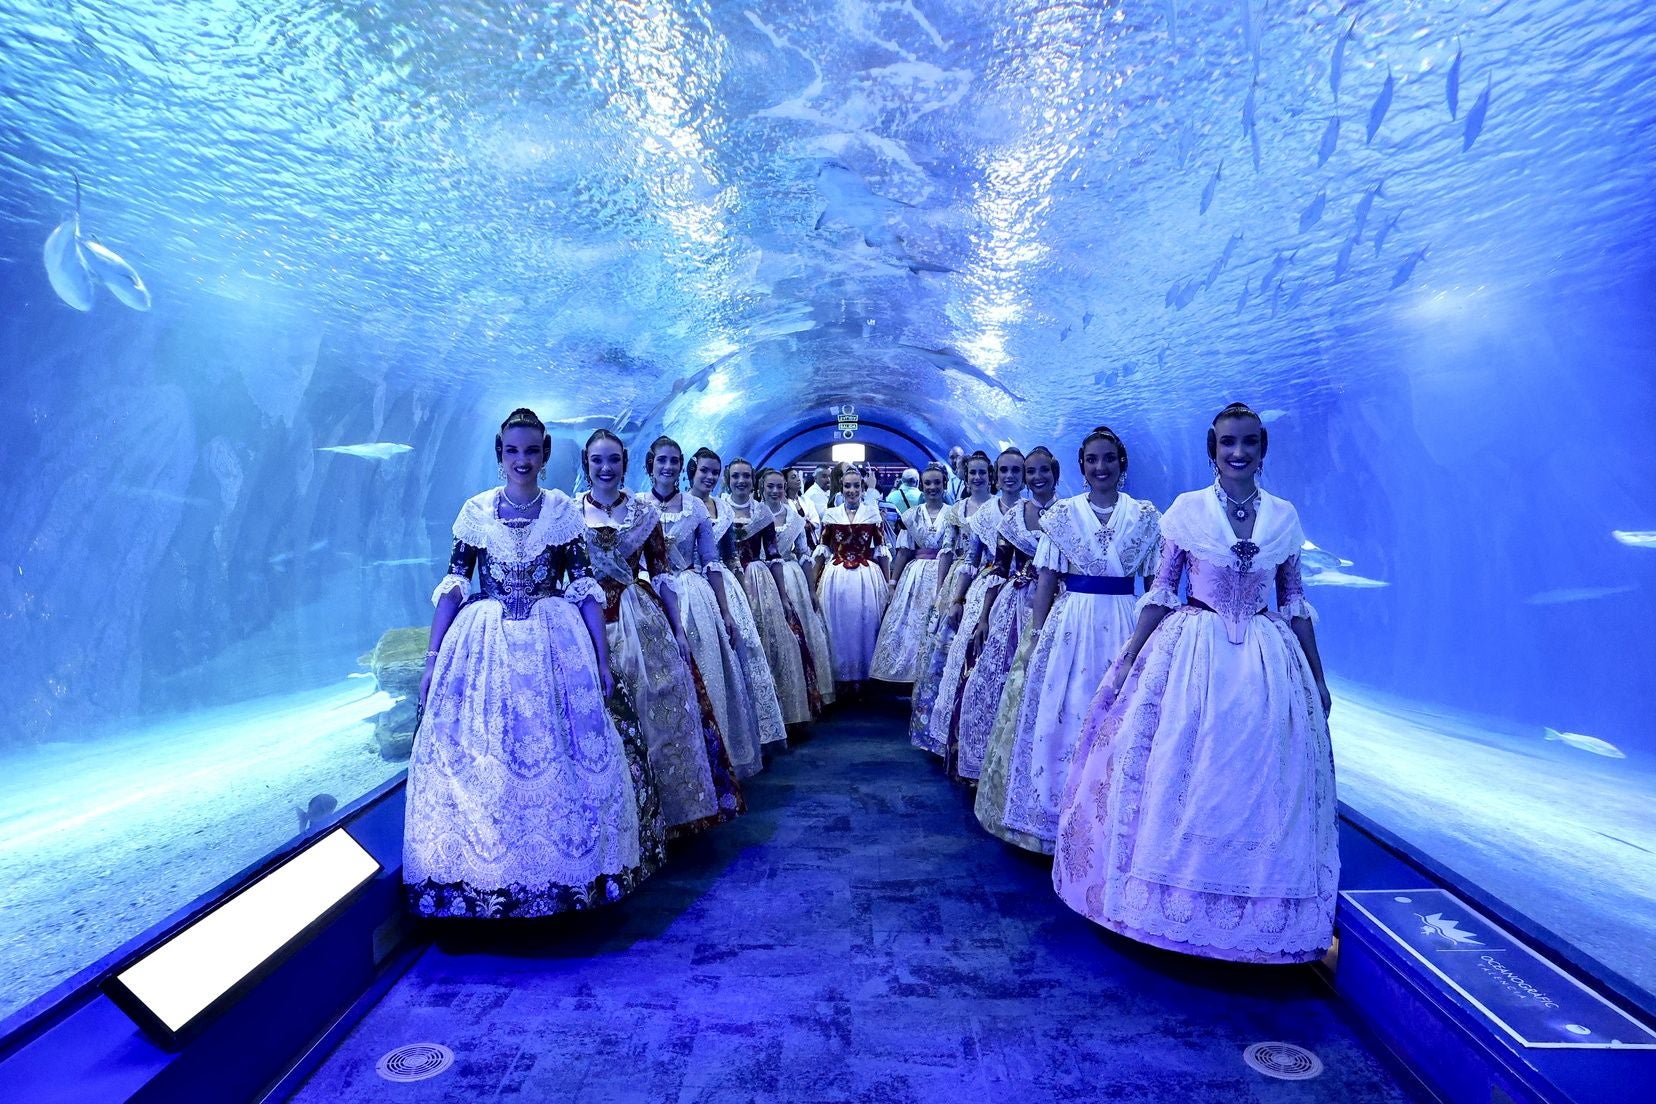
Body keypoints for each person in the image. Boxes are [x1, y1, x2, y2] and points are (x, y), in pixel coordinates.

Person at [1052, 404, 1336, 964]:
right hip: (1192, 660)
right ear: (1212, 450)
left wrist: (1318, 677)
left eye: (1249, 443)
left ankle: (1257, 918)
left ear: (1262, 449)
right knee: (1181, 768)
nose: (1238, 452)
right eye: (1228, 442)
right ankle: (1164, 904)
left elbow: (1295, 601)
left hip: (1265, 663)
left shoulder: (1284, 516)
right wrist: (1130, 656)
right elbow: (1162, 590)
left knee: (1258, 773)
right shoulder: (1187, 511)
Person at [405, 408, 664, 920]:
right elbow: (455, 584)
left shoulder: (563, 511)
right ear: (500, 456)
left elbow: (584, 587)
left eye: (531, 450)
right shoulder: (475, 512)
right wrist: (433, 661)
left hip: (554, 646)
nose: (522, 460)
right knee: (486, 761)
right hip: (485, 647)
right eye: (512, 451)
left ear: (544, 455)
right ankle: (485, 880)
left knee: (566, 758)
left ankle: (570, 878)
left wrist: (600, 657)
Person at [975, 426, 1160, 854]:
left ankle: (1110, 822)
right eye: (1092, 460)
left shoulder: (1146, 516)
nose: (1101, 467)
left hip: (1122, 623)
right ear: (1081, 467)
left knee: (1119, 718)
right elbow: (1046, 579)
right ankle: (1054, 818)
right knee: (1065, 712)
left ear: (1122, 464)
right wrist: (1037, 636)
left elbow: (1155, 586)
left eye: (1109, 459)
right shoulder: (1061, 517)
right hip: (1071, 623)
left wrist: (1151, 641)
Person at [580, 430, 742, 836]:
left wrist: (678, 630)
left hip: (640, 617)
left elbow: (663, 574)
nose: (606, 468)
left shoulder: (642, 515)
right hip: (586, 619)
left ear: (626, 463)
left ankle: (663, 813)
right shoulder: (568, 513)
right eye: (597, 460)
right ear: (586, 464)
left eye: (613, 460)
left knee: (657, 711)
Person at [647, 436, 765, 780]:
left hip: (693, 592)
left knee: (706, 673)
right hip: (652, 593)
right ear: (650, 466)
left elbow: (713, 562)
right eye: (661, 461)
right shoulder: (638, 505)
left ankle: (713, 758)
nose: (667, 467)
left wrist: (726, 612)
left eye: (673, 461)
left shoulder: (695, 508)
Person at [955, 446, 1061, 784]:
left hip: (1061, 602)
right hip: (1014, 602)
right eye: (1031, 472)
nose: (1035, 478)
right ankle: (992, 762)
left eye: (1042, 471)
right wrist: (983, 616)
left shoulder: (1069, 513)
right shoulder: (1013, 519)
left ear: (1055, 473)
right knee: (996, 679)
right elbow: (998, 570)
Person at [925, 447, 1025, 775]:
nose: (1008, 476)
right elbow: (970, 559)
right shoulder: (982, 516)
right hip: (989, 589)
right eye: (1004, 470)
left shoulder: (1036, 510)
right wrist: (956, 598)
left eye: (1016, 470)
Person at [687, 448, 789, 751]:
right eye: (704, 470)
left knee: (739, 657)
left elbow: (730, 558)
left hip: (723, 586)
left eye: (714, 472)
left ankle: (738, 737)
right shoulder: (680, 506)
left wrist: (741, 598)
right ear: (692, 471)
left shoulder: (723, 510)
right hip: (687, 589)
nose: (709, 477)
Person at [724, 458, 821, 724]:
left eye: (746, 476)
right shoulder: (720, 510)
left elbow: (775, 555)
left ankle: (779, 712)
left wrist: (783, 595)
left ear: (752, 479)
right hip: (728, 582)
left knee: (772, 642)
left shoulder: (761, 513)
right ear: (728, 480)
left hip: (758, 579)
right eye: (736, 476)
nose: (741, 481)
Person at [909, 450, 992, 754]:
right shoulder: (956, 511)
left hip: (989, 578)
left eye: (982, 472)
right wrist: (942, 590)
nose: (977, 478)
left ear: (989, 475)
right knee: (943, 654)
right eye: (973, 473)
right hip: (960, 577)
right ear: (965, 477)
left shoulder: (1000, 509)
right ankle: (940, 729)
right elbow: (947, 549)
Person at [759, 467, 838, 711]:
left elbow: (804, 554)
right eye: (770, 486)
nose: (775, 491)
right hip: (761, 578)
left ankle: (800, 699)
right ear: (761, 488)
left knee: (798, 638)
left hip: (792, 577)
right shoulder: (755, 516)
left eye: (779, 486)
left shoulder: (794, 519)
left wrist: (811, 589)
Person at [868, 463, 950, 684]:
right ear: (922, 486)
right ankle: (910, 677)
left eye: (937, 483)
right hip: (916, 574)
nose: (932, 487)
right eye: (928, 483)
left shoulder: (953, 514)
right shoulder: (911, 516)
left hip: (945, 572)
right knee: (911, 626)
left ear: (944, 485)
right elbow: (904, 552)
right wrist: (893, 583)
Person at [813, 467, 891, 694]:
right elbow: (822, 550)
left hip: (866, 578)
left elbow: (881, 551)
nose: (852, 490)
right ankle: (841, 679)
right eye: (848, 486)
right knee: (837, 626)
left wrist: (888, 584)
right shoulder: (831, 515)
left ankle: (863, 679)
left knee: (865, 624)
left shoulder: (872, 513)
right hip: (836, 578)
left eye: (856, 486)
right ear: (841, 487)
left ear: (863, 488)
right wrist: (812, 585)